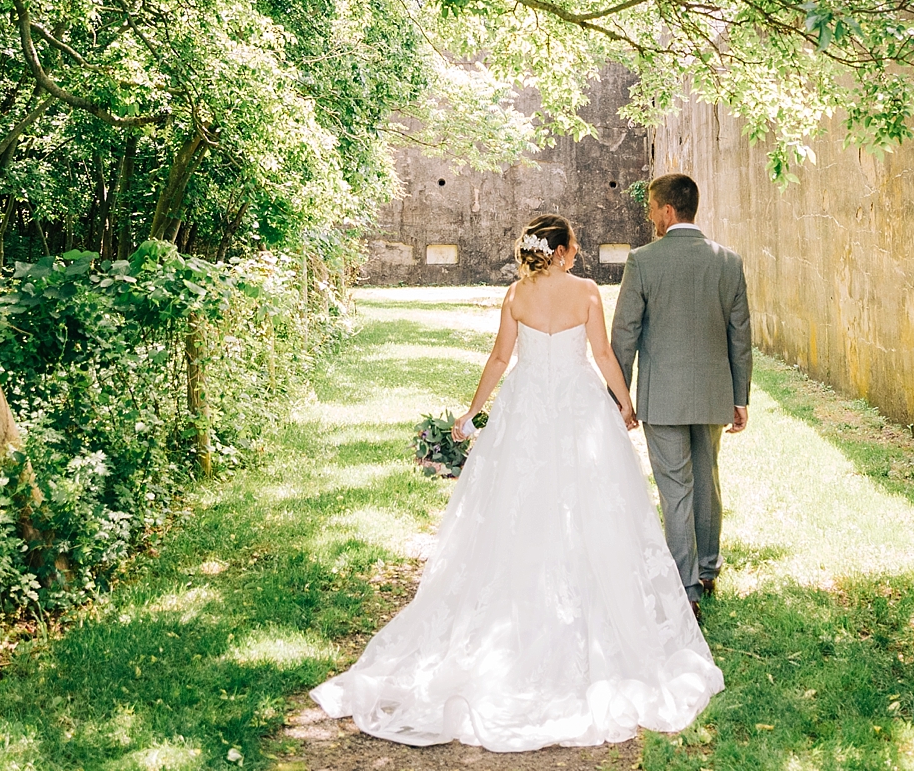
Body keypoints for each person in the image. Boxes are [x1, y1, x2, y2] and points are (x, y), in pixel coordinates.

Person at [309, 214, 723, 750]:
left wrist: (472, 413)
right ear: (565, 250)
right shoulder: (586, 292)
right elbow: (601, 355)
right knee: (592, 504)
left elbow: (502, 357)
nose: (577, 252)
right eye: (574, 245)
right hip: (578, 410)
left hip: (525, 411)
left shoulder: (516, 295)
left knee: (516, 507)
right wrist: (626, 403)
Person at [609, 172, 751, 610]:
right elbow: (740, 334)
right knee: (707, 482)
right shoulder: (728, 262)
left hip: (663, 398)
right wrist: (740, 396)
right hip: (712, 394)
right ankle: (707, 569)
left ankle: (686, 587)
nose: (650, 216)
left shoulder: (644, 261)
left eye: (652, 208)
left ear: (668, 211)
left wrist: (621, 397)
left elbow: (625, 333)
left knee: (676, 489)